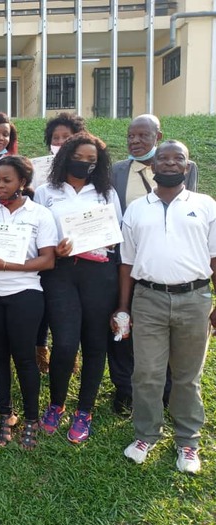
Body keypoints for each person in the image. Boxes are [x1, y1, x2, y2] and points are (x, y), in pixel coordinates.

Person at [117, 140, 214, 474]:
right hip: (148, 299)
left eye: (178, 158)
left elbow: (215, 257)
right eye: (164, 158)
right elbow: (126, 263)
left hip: (195, 299)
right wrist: (123, 307)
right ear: (154, 165)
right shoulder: (136, 209)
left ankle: (188, 441)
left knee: (187, 376)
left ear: (187, 166)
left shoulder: (205, 205)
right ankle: (146, 435)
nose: (170, 163)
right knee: (147, 373)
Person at [0, 156, 57, 449]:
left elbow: (48, 260)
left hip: (25, 293)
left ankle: (31, 418)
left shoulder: (40, 214)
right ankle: (6, 414)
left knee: (25, 358)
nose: (0, 185)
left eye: (7, 180)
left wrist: (8, 266)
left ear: (23, 183)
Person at [108, 114, 199, 414]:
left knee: (167, 334)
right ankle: (124, 388)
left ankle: (167, 391)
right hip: (126, 260)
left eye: (143, 136)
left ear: (157, 137)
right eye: (130, 136)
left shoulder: (184, 167)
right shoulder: (117, 171)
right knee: (123, 324)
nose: (134, 141)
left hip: (166, 265)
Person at [34, 132, 121, 444]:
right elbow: (37, 235)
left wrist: (106, 238)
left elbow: (116, 235)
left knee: (95, 343)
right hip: (61, 273)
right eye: (78, 157)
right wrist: (53, 249)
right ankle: (56, 404)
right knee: (65, 343)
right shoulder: (46, 192)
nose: (84, 163)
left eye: (91, 160)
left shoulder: (106, 192)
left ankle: (84, 410)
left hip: (100, 274)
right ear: (65, 157)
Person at [31, 113, 87, 372]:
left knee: (69, 310)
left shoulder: (88, 171)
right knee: (43, 302)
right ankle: (40, 347)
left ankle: (68, 351)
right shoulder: (39, 169)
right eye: (56, 138)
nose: (61, 142)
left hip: (82, 255)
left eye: (67, 137)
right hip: (46, 250)